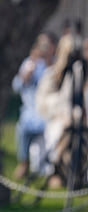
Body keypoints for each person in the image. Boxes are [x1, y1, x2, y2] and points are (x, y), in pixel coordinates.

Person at [36, 32, 88, 188]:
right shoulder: (53, 76)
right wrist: (65, 113)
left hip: (83, 124)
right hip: (60, 123)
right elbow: (43, 104)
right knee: (63, 133)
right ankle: (61, 173)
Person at [12, 32, 56, 179]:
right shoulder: (30, 63)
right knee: (22, 128)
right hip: (31, 112)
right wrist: (31, 67)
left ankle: (53, 171)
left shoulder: (55, 64)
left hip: (49, 113)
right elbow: (17, 85)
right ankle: (23, 163)